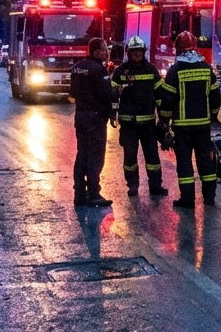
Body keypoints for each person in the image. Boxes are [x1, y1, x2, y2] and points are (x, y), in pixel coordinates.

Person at [156, 30, 220, 209]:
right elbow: (215, 96)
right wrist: (212, 116)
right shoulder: (206, 68)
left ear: (178, 50)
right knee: (206, 161)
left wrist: (164, 121)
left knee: (184, 163)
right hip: (203, 125)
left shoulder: (175, 70)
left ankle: (188, 199)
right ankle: (209, 196)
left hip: (182, 127)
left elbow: (168, 100)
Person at [112, 36, 169, 199]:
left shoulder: (151, 70)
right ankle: (132, 185)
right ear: (129, 53)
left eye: (139, 51)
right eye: (134, 52)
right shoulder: (120, 71)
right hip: (128, 123)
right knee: (130, 157)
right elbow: (112, 95)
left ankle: (155, 186)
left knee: (152, 157)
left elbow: (160, 96)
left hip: (148, 124)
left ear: (143, 52)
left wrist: (163, 120)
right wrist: (112, 114)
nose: (137, 54)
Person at [70, 38, 115, 208]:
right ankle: (94, 194)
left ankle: (79, 194)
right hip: (95, 118)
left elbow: (73, 92)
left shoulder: (77, 68)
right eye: (103, 49)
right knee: (95, 156)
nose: (106, 52)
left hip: (80, 115)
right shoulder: (99, 70)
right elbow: (107, 94)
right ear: (95, 51)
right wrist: (115, 92)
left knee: (82, 154)